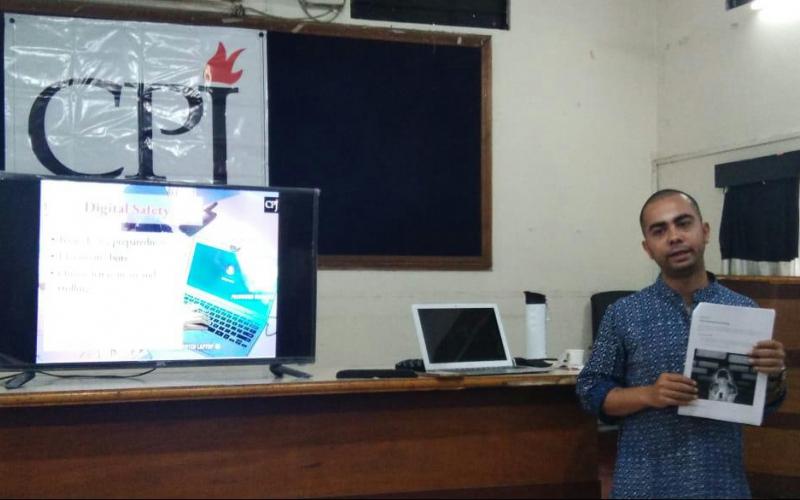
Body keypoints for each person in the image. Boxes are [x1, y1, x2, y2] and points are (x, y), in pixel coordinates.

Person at [576, 189, 787, 499]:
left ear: (705, 231)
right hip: (644, 484)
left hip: (721, 484)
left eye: (683, 223)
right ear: (648, 248)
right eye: (659, 230)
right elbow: (590, 391)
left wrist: (774, 374)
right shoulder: (623, 313)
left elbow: (764, 404)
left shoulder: (744, 311)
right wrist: (648, 394)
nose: (674, 237)